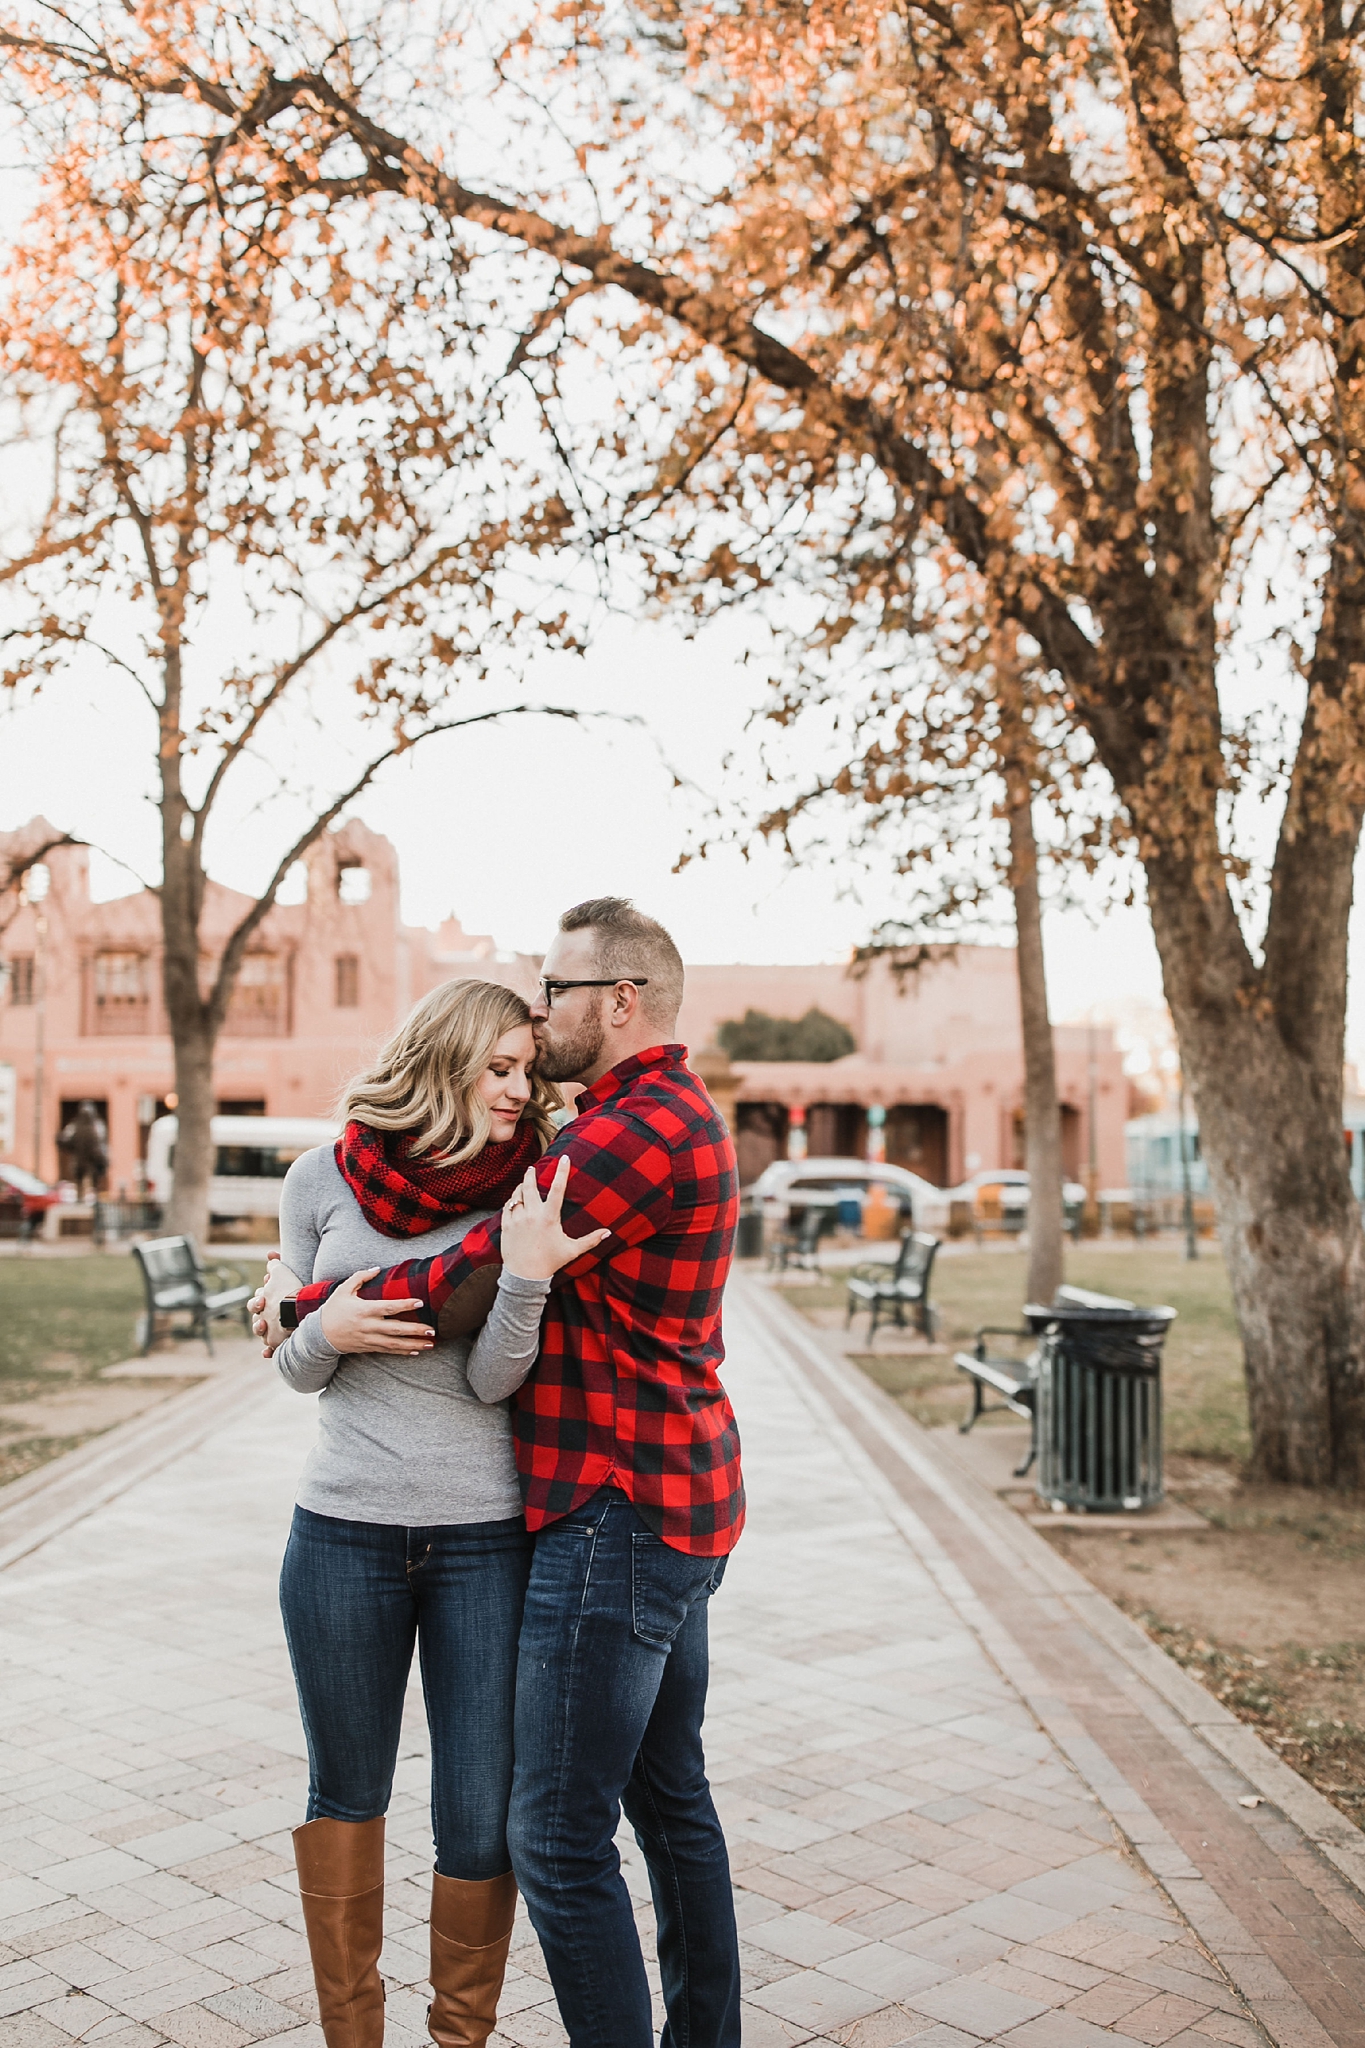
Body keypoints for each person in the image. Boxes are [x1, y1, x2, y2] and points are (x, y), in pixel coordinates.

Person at [258, 899, 745, 2048]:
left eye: (555, 995)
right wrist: (304, 1322)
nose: (540, 1016)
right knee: (668, 1799)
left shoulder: (610, 1140)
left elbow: (478, 1271)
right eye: (507, 1044)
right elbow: (321, 1340)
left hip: (607, 1509)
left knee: (552, 1835)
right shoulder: (623, 1116)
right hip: (631, 1498)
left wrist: (309, 1306)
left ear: (617, 1001)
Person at [268, 978, 605, 2048]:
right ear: (443, 1056)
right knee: (346, 1792)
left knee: (476, 1814)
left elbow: (496, 1382)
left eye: (526, 1070)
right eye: (497, 1066)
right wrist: (335, 1332)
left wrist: (524, 1276)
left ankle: (459, 2037)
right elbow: (291, 1359)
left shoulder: (526, 1189)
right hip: (339, 1534)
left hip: (482, 1542)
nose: (517, 1089)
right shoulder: (320, 1176)